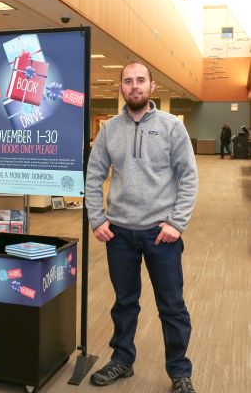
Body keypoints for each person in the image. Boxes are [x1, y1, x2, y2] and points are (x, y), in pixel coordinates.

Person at [85, 61, 198, 393]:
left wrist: (177, 223)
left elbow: (189, 177)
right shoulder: (109, 129)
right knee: (124, 302)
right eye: (128, 81)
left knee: (172, 306)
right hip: (119, 233)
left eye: (140, 80)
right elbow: (93, 177)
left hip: (161, 233)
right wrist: (97, 218)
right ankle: (122, 360)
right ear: (120, 87)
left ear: (152, 86)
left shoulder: (171, 127)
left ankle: (180, 373)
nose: (134, 86)